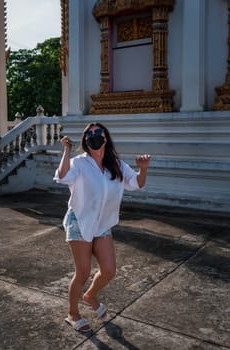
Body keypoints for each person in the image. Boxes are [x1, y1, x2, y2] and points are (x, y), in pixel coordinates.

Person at [54, 122, 151, 333]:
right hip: (79, 221)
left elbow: (137, 183)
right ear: (85, 140)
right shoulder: (79, 162)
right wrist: (67, 150)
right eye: (89, 134)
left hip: (103, 224)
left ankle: (89, 296)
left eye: (98, 133)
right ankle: (72, 313)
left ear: (105, 138)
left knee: (108, 270)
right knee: (83, 272)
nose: (94, 136)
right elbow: (62, 177)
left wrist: (143, 169)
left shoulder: (115, 164)